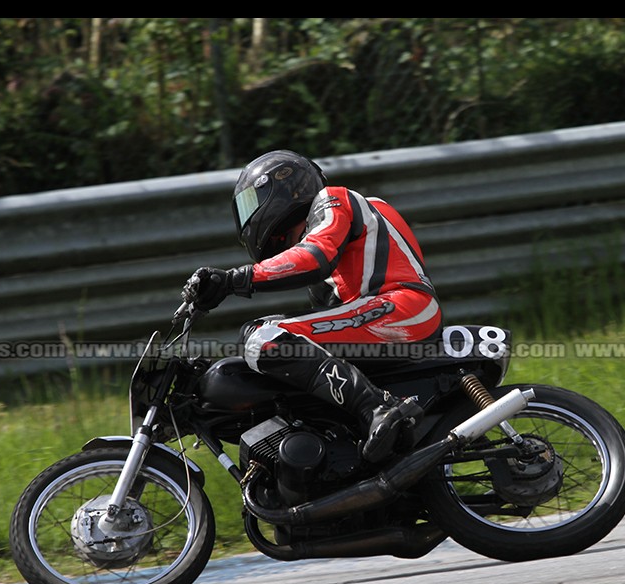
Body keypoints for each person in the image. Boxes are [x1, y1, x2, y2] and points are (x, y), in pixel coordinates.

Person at [183, 149, 443, 463]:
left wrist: (234, 280)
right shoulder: (336, 255)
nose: (248, 217)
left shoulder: (335, 199)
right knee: (278, 337)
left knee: (261, 336)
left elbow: (313, 256)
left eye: (251, 203)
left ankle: (378, 407)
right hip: (386, 313)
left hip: (401, 308)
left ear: (283, 186)